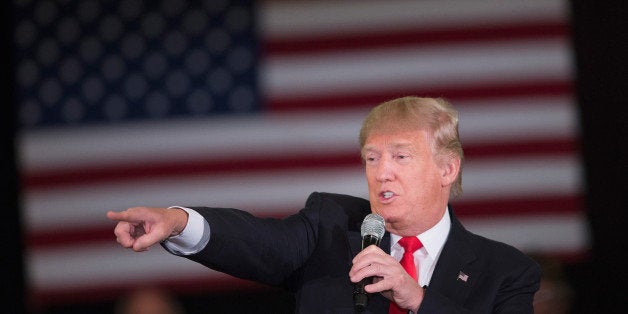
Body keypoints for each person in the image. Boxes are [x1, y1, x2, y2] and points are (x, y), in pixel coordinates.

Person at [107, 96, 541, 313]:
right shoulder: (332, 227)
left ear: (448, 169)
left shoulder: (505, 272)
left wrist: (417, 299)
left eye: (401, 156)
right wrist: (178, 221)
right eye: (372, 158)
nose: (381, 172)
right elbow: (260, 242)